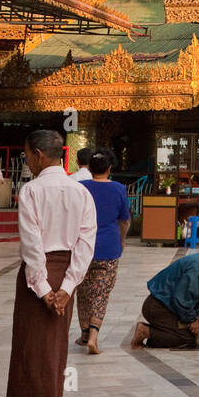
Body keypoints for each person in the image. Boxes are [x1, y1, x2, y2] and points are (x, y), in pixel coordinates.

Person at [6, 129, 97, 397]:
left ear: (39, 156)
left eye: (27, 156)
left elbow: (32, 245)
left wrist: (44, 290)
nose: (27, 162)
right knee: (53, 353)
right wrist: (67, 288)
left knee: (34, 354)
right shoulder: (81, 193)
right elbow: (86, 245)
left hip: (38, 277)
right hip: (65, 274)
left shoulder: (31, 191)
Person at [74, 148, 130, 355]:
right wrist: (122, 240)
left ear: (89, 167)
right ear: (109, 168)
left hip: (83, 248)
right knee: (101, 294)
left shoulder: (80, 188)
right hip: (109, 247)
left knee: (83, 292)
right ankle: (94, 336)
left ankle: (84, 334)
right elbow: (124, 220)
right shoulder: (118, 189)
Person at [131, 244, 199, 349]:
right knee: (187, 339)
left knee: (190, 334)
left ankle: (155, 334)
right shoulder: (196, 269)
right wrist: (191, 320)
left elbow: (190, 295)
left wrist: (197, 314)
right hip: (157, 308)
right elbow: (181, 299)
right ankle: (145, 331)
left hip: (162, 305)